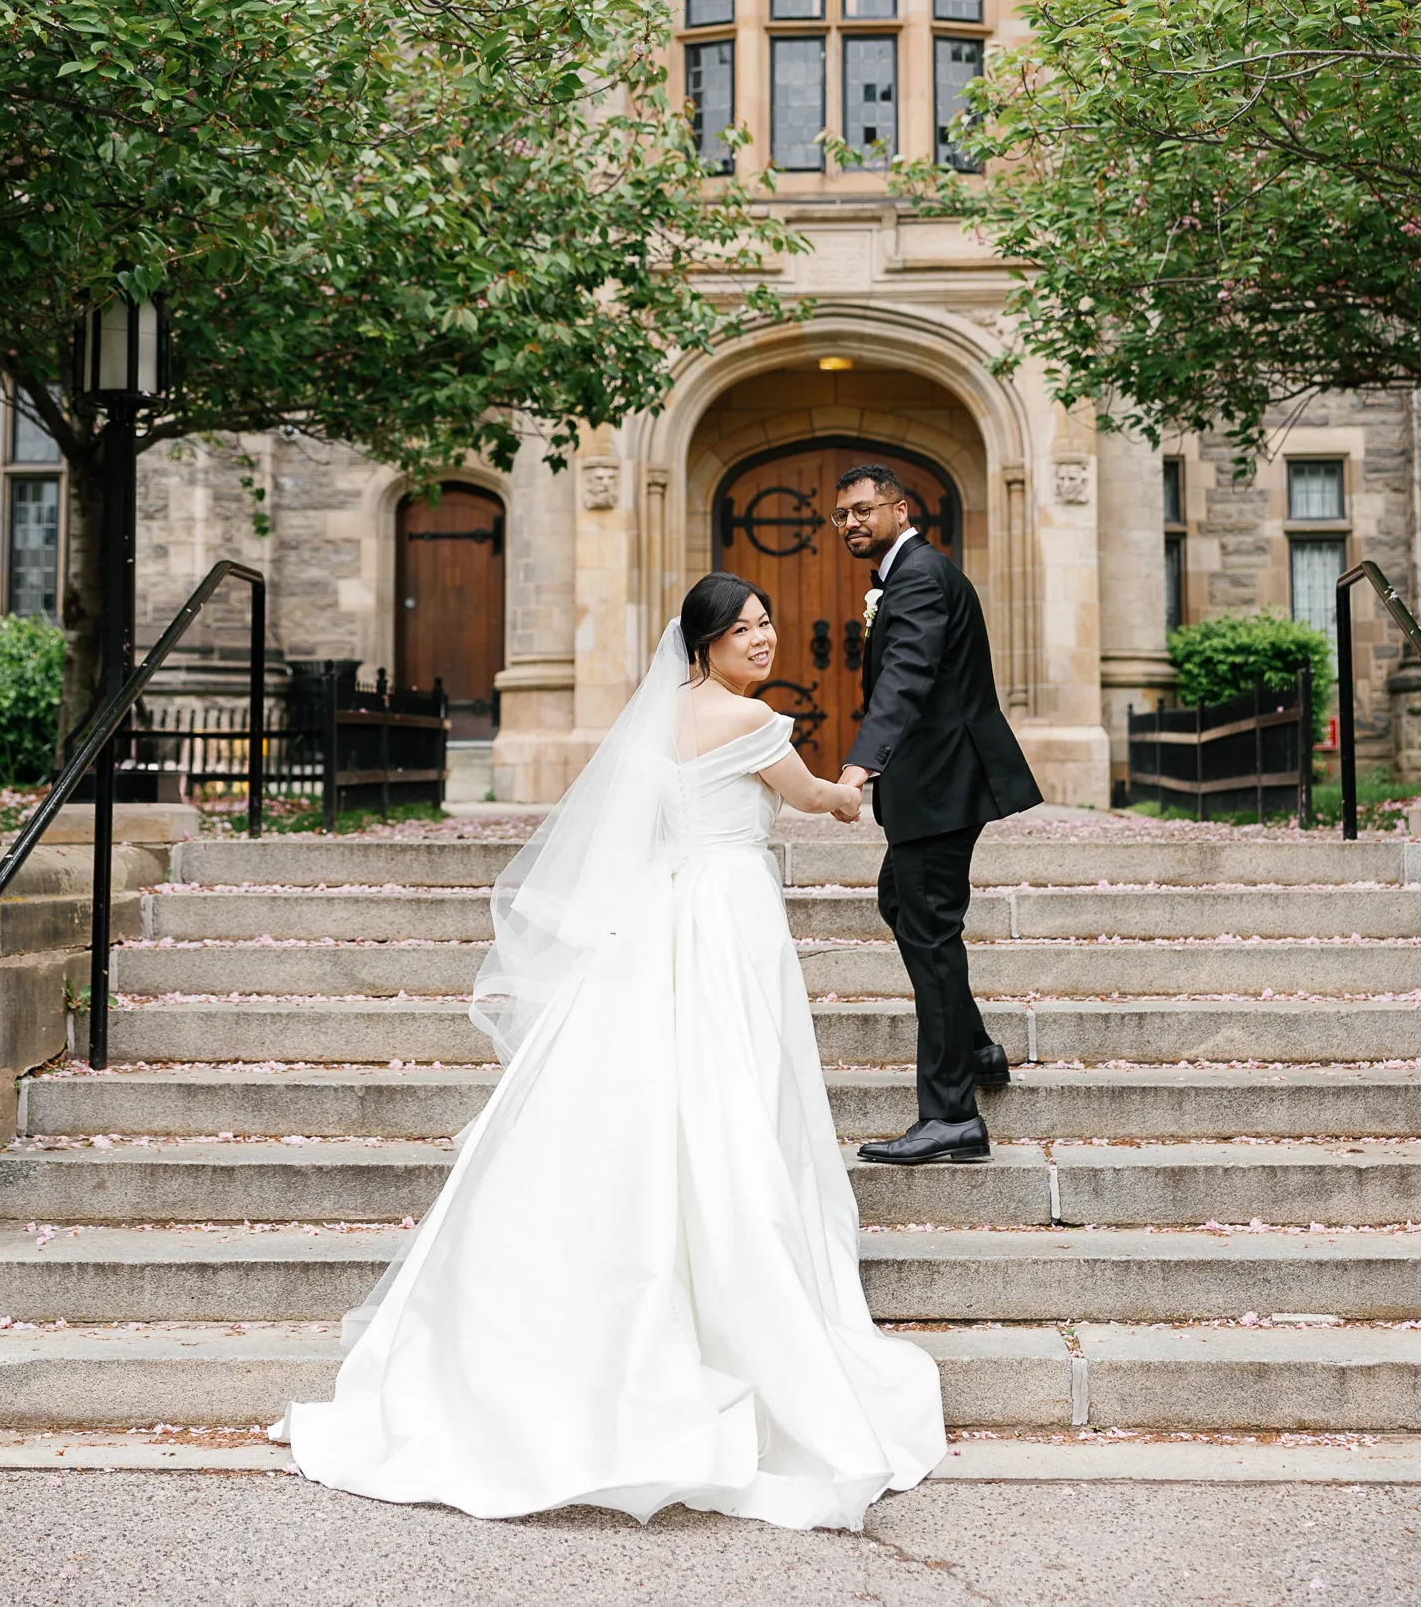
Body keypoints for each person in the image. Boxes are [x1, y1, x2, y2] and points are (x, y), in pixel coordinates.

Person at [272, 571, 946, 1529]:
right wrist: (858, 783)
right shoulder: (754, 725)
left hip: (652, 919)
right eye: (745, 630)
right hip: (723, 918)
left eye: (768, 626)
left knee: (638, 1096)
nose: (763, 640)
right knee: (731, 1094)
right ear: (704, 641)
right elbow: (811, 803)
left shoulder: (658, 718)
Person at [833, 463, 1043, 1167]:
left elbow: (906, 678)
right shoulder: (913, 572)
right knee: (904, 903)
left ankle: (951, 1114)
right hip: (940, 784)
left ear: (899, 508)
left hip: (941, 784)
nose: (853, 523)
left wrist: (860, 766)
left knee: (927, 929)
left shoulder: (919, 576)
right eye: (842, 516)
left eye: (864, 509)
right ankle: (975, 1043)